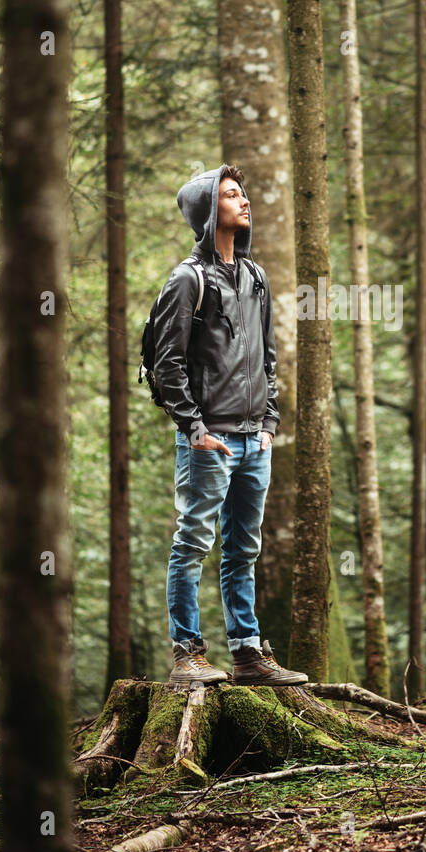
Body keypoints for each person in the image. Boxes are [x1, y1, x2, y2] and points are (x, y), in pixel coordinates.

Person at [152, 163, 307, 687]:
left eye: (243, 194)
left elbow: (268, 356)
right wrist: (196, 430)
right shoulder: (186, 280)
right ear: (206, 210)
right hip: (209, 441)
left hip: (253, 440)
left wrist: (268, 423)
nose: (244, 202)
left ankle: (247, 655)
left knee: (244, 548)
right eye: (232, 195)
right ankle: (187, 654)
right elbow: (164, 365)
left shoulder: (255, 276)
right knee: (193, 542)